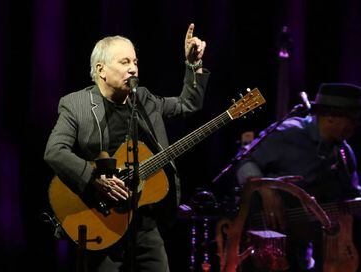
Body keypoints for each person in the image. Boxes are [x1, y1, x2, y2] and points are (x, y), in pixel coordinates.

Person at [44, 23, 209, 272]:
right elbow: (55, 151)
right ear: (101, 70)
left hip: (144, 222)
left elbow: (187, 105)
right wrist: (94, 181)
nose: (132, 68)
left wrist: (192, 66)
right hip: (101, 220)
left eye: (134, 61)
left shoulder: (144, 99)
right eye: (124, 62)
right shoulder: (76, 104)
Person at [236, 83, 361, 271]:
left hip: (306, 253)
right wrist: (266, 191)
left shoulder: (345, 153)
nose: (355, 126)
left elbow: (352, 200)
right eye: (352, 119)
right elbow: (243, 163)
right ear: (330, 117)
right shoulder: (289, 133)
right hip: (265, 247)